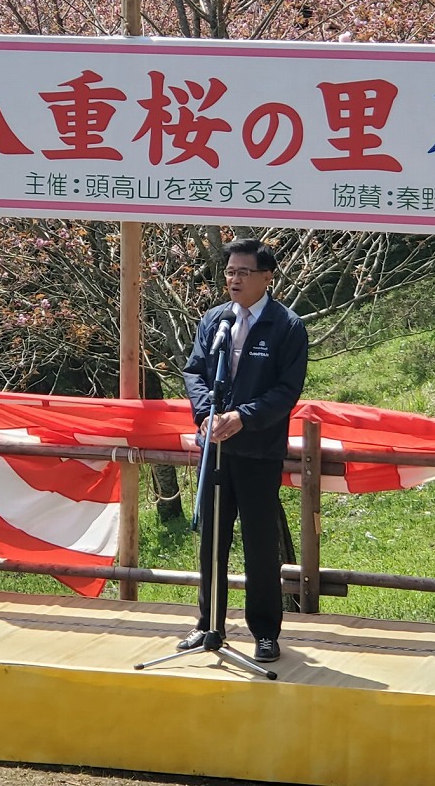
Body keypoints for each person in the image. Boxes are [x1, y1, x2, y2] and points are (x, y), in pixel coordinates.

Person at [178, 236, 308, 663]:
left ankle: (265, 631)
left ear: (266, 277)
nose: (233, 279)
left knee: (259, 543)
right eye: (230, 271)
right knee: (211, 541)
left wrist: (243, 417)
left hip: (258, 451)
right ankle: (209, 625)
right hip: (216, 449)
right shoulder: (215, 321)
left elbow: (286, 391)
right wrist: (205, 415)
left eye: (243, 272)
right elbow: (195, 371)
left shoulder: (287, 326)